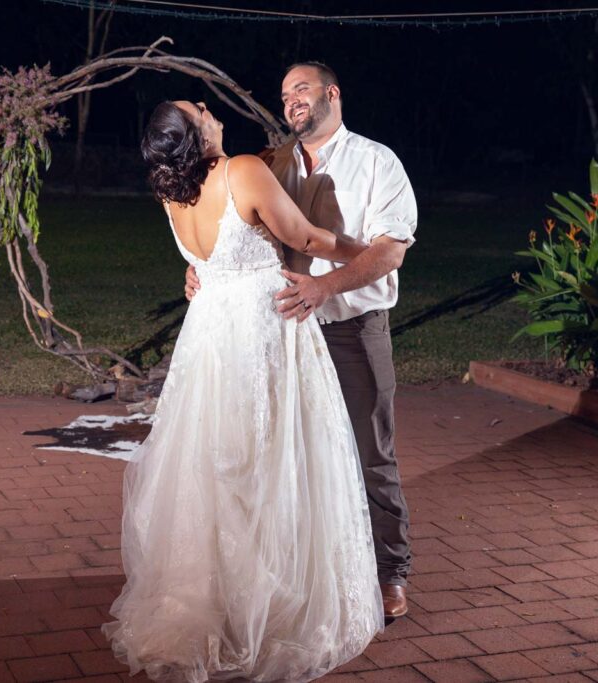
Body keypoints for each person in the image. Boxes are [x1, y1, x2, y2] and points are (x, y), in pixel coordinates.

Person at [102, 99, 383, 683]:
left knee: (217, 468)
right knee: (269, 462)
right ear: (194, 133)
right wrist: (375, 253)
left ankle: (223, 605)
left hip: (208, 337)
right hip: (261, 332)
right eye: (196, 108)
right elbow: (304, 236)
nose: (207, 106)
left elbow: (207, 257)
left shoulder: (171, 192)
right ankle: (271, 608)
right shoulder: (241, 171)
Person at [186, 62, 417, 618]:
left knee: (368, 453)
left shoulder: (377, 162)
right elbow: (234, 228)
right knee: (291, 457)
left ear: (331, 93)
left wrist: (325, 286)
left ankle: (390, 572)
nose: (290, 99)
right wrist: (202, 271)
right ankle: (311, 572)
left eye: (302, 89)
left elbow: (390, 250)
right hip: (281, 336)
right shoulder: (269, 164)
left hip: (351, 330)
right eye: (285, 92)